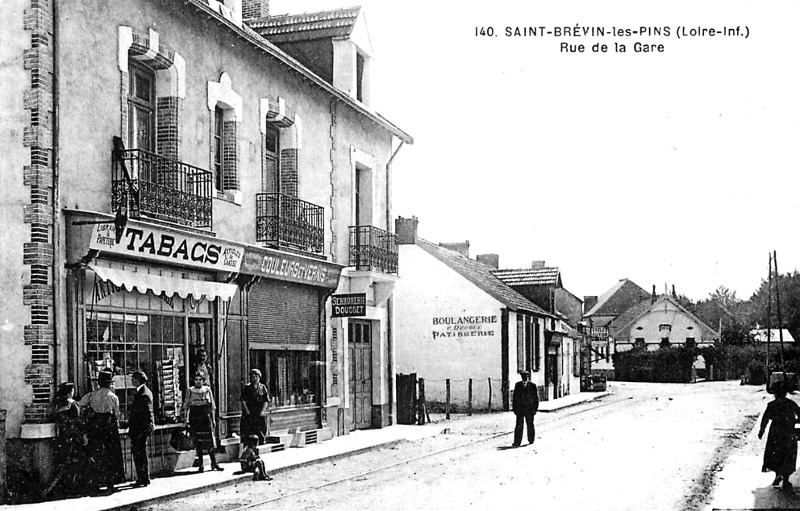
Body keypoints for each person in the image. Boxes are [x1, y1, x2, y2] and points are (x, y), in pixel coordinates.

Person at [79, 368, 125, 492]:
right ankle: (110, 482)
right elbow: (116, 415)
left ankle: (96, 481)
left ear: (99, 383)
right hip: (109, 426)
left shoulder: (92, 394)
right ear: (110, 383)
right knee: (111, 454)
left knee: (96, 452)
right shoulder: (113, 397)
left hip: (96, 426)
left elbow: (79, 404)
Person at [43, 382, 87, 498]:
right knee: (75, 463)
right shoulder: (73, 404)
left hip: (61, 437)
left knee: (61, 463)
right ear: (70, 392)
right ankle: (72, 488)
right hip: (73, 438)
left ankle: (60, 489)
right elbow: (78, 422)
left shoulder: (57, 405)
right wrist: (83, 437)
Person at [759, 380, 800, 490]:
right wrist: (795, 422)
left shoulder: (772, 405)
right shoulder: (791, 404)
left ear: (775, 393)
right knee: (788, 456)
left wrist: (761, 430)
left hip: (775, 434)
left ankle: (778, 474)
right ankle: (785, 480)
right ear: (785, 393)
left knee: (776, 455)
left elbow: (765, 418)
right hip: (789, 433)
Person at [184, 371, 224, 472]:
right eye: (196, 380)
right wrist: (186, 419)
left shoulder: (207, 390)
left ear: (203, 380)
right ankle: (201, 464)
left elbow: (212, 406)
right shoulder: (190, 391)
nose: (198, 382)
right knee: (198, 441)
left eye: (200, 380)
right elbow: (186, 406)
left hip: (205, 418)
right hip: (195, 418)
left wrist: (213, 419)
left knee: (209, 440)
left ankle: (214, 463)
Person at [129, 370, 155, 487]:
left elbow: (147, 412)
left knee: (140, 453)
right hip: (139, 428)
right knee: (140, 453)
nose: (132, 381)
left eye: (134, 379)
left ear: (139, 380)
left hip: (140, 429)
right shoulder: (143, 391)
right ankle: (143, 477)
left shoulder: (143, 393)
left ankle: (143, 478)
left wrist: (148, 425)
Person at [240, 368, 269, 444]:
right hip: (250, 411)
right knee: (249, 429)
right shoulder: (247, 387)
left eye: (256, 377)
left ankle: (261, 441)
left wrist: (263, 411)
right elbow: (243, 401)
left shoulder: (262, 387)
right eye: (252, 377)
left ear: (259, 377)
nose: (254, 379)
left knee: (261, 428)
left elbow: (266, 400)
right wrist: (247, 411)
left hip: (259, 411)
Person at [512, 370, 539, 447]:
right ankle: (517, 442)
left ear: (528, 377)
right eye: (523, 377)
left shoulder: (533, 386)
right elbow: (515, 398)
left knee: (530, 424)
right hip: (520, 409)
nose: (524, 379)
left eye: (526, 377)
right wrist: (515, 409)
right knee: (519, 425)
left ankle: (531, 439)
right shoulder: (518, 385)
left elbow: (536, 399)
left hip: (529, 409)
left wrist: (534, 409)